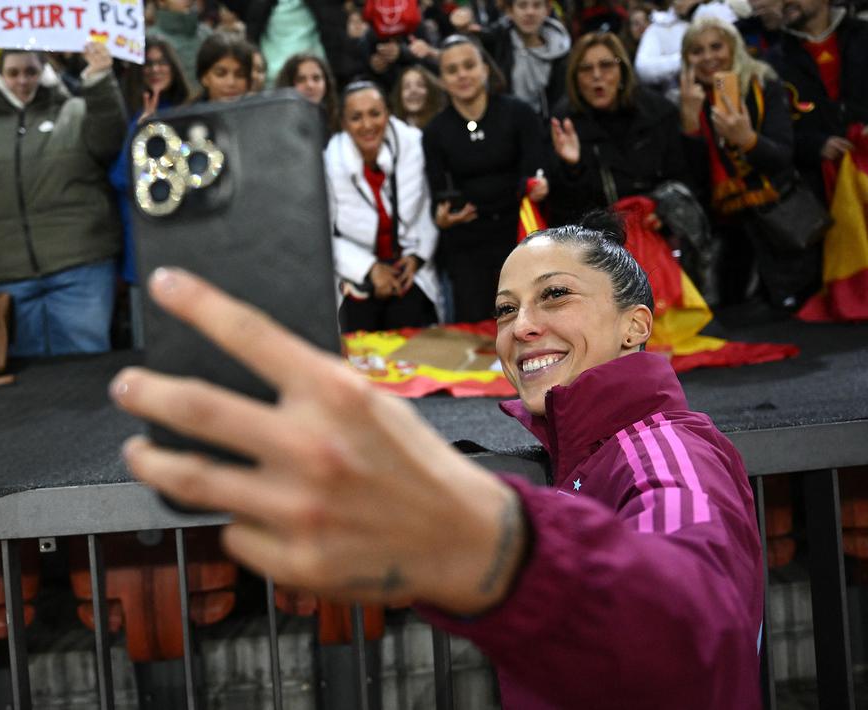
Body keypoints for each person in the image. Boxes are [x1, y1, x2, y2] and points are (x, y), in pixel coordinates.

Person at [111, 224, 762, 707]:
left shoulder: (664, 449)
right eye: (506, 310)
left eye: (554, 295)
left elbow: (701, 634)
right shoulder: (579, 456)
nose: (521, 327)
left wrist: (501, 551)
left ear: (634, 326)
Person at [0, 44, 126, 357]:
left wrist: (100, 79)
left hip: (80, 266)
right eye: (13, 72)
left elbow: (110, 140)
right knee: (25, 389)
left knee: (85, 373)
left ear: (45, 72)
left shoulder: (75, 111)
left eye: (31, 71)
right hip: (6, 274)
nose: (22, 80)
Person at [679, 16, 815, 309]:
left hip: (779, 216)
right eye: (697, 50)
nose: (708, 58)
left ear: (734, 47)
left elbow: (782, 158)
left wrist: (747, 139)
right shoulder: (690, 98)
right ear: (686, 58)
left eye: (717, 47)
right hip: (725, 226)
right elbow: (693, 181)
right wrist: (690, 125)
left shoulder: (763, 83)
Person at [423, 35, 547, 322]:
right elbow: (438, 190)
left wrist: (540, 186)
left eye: (469, 65)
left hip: (519, 235)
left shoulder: (519, 113)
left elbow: (536, 171)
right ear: (442, 80)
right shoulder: (435, 131)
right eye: (452, 70)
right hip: (468, 241)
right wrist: (441, 216)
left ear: (485, 69)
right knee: (474, 325)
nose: (462, 75)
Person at [328, 82, 440, 331]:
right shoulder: (328, 162)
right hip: (353, 274)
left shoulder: (414, 145)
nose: (368, 125)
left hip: (409, 269)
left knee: (413, 328)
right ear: (344, 123)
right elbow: (322, 234)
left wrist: (417, 257)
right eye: (356, 117)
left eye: (375, 114)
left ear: (388, 114)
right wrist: (369, 269)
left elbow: (427, 208)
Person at [548, 32, 690, 226]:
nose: (597, 75)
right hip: (601, 240)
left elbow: (683, 179)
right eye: (586, 69)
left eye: (606, 65)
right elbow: (564, 213)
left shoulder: (659, 112)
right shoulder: (563, 123)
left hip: (657, 232)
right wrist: (572, 169)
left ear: (622, 70)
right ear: (575, 79)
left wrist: (663, 211)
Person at [111, 38, 192, 348]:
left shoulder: (191, 111)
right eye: (148, 64)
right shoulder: (132, 115)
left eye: (162, 62)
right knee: (151, 351)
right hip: (143, 251)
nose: (156, 69)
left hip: (188, 248)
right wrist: (140, 131)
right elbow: (121, 180)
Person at [764, 0, 868, 200]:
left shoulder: (863, 36)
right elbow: (772, 135)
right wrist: (815, 146)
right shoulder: (771, 64)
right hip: (822, 192)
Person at [476, 0, 572, 116]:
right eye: (522, 5)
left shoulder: (562, 50)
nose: (530, 12)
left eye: (536, 5)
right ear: (510, 11)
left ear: (547, 10)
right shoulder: (495, 42)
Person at [274, 52, 339, 133]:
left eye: (316, 78)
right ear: (289, 84)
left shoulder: (338, 122)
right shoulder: (276, 126)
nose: (310, 85)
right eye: (301, 79)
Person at [194, 34, 255, 103]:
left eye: (240, 75)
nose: (231, 82)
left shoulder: (262, 111)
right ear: (204, 78)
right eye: (221, 74)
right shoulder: (188, 113)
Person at [390, 64, 446, 129]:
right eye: (406, 86)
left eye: (420, 85)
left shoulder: (444, 125)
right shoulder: (393, 128)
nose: (413, 91)